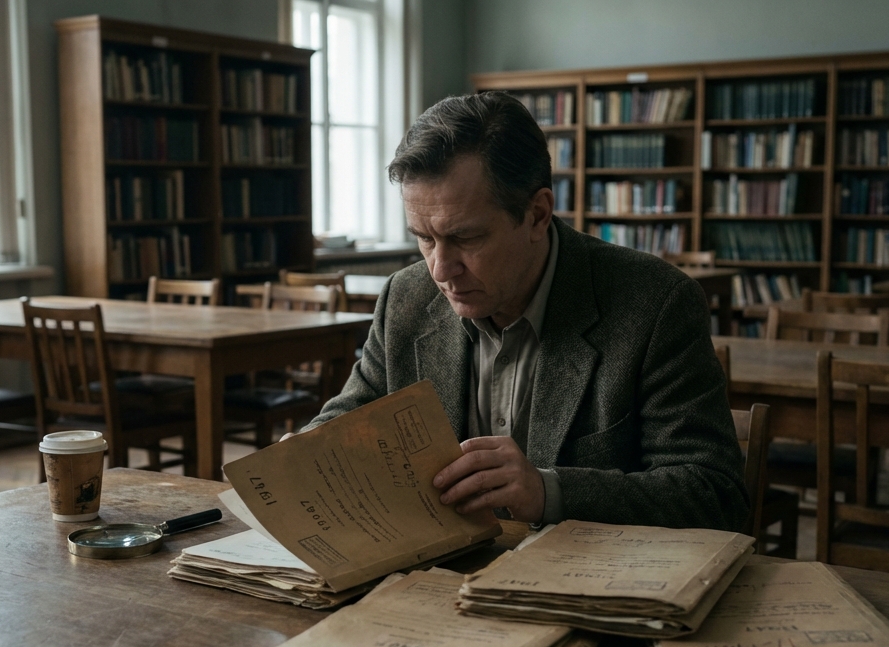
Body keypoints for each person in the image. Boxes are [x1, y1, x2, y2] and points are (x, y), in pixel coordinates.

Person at [302, 91, 748, 532]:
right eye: (423, 237)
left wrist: (548, 491)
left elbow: (712, 494)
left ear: (537, 215)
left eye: (467, 238)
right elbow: (350, 416)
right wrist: (307, 453)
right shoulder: (406, 297)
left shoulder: (655, 304)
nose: (440, 269)